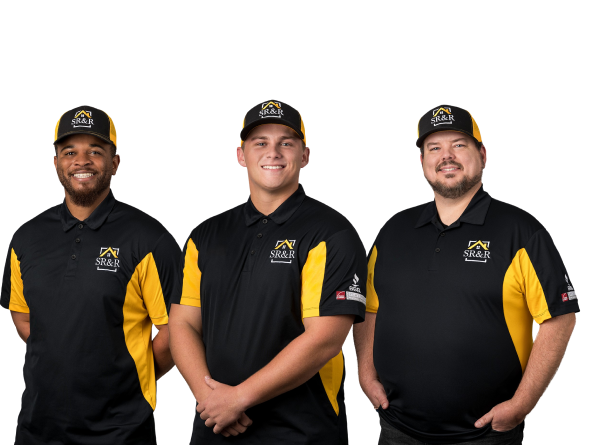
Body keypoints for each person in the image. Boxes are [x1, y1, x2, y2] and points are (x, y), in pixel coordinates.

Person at [352, 104, 579, 445]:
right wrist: (365, 373)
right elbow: (368, 307)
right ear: (423, 161)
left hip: (486, 435)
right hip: (397, 430)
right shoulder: (393, 231)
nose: (447, 156)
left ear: (482, 155)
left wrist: (521, 405)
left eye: (459, 144)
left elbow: (560, 318)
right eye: (434, 148)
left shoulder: (520, 232)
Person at [169, 100, 367, 444]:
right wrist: (211, 401)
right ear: (240, 155)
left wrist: (238, 399)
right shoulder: (205, 234)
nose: (273, 152)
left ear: (304, 156)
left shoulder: (332, 233)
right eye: (260, 142)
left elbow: (325, 339)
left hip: (301, 430)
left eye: (286, 142)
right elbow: (182, 323)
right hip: (214, 426)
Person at [0, 105, 179, 445]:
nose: (81, 161)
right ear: (56, 163)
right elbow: (23, 316)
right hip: (38, 428)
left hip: (121, 432)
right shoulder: (26, 237)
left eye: (95, 151)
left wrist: (125, 375)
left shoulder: (149, 239)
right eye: (70, 152)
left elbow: (175, 330)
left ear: (114, 163)